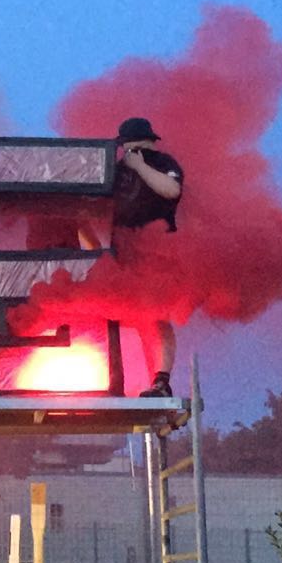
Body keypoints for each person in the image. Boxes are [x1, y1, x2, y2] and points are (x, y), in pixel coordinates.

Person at [110, 116, 184, 398]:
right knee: (135, 316)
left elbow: (172, 190)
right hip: (124, 252)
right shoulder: (117, 172)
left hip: (157, 250)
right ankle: (135, 378)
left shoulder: (164, 163)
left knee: (158, 315)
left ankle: (161, 380)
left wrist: (140, 166)